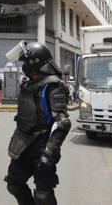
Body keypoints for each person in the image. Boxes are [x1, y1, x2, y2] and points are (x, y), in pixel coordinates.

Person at [4, 41, 71, 205]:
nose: (24, 65)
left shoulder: (53, 86)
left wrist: (49, 154)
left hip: (42, 146)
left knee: (43, 194)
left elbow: (62, 123)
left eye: (25, 61)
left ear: (34, 62)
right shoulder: (29, 84)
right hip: (23, 145)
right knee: (14, 184)